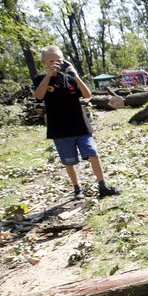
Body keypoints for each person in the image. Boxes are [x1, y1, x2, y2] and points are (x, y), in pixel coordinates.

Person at [33, 45, 120, 200]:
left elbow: (87, 95)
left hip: (80, 125)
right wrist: (48, 75)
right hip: (59, 128)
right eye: (51, 61)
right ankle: (77, 188)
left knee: (93, 154)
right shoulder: (40, 79)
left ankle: (102, 185)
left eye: (58, 60)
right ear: (44, 62)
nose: (56, 64)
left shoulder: (69, 77)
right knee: (69, 161)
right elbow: (39, 96)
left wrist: (76, 76)